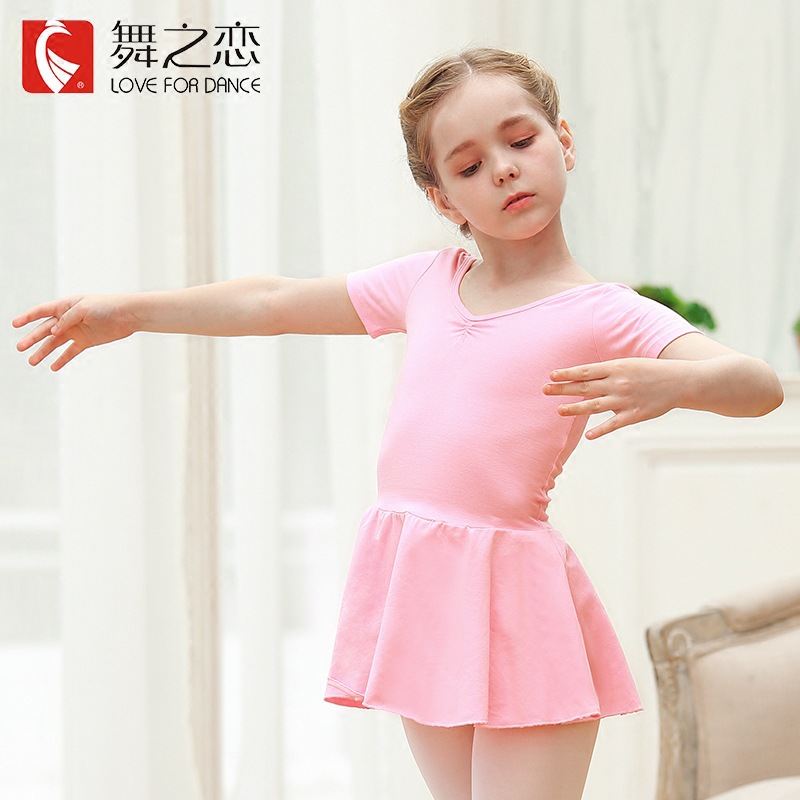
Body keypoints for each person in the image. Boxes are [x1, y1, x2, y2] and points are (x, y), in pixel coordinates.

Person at [13, 46, 783, 800]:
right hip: (423, 584)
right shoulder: (427, 282)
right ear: (443, 200)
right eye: (469, 166)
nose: (504, 169)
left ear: (563, 142)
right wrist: (131, 313)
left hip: (518, 603)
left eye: (520, 141)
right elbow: (272, 302)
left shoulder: (607, 312)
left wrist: (677, 382)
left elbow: (757, 386)